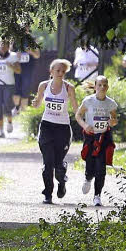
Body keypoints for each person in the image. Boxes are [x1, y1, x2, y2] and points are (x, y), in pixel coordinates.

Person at [32, 59, 79, 204]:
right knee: (48, 164)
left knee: (58, 165)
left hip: (62, 129)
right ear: (51, 71)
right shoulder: (43, 85)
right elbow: (38, 102)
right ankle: (48, 194)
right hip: (47, 126)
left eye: (63, 71)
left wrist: (85, 121)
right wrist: (35, 103)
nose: (60, 73)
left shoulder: (69, 88)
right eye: (57, 70)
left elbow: (76, 108)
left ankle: (62, 181)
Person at [75, 76, 119, 207]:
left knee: (101, 168)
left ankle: (97, 196)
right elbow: (78, 115)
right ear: (95, 87)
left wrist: (113, 122)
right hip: (90, 137)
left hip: (104, 137)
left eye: (105, 85)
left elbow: (114, 119)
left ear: (108, 87)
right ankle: (88, 178)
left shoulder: (111, 103)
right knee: (90, 164)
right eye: (99, 85)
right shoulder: (88, 101)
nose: (102, 87)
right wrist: (85, 125)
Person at [0, 39, 20, 138]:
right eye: (1, 45)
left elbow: (19, 70)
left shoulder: (13, 56)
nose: (2, 46)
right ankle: (1, 131)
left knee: (7, 104)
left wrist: (11, 66)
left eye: (5, 45)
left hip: (9, 84)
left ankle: (10, 121)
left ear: (8, 46)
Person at [11, 37, 41, 115]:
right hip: (17, 68)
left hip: (28, 69)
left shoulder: (33, 41)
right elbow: (9, 53)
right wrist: (16, 54)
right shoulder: (14, 40)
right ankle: (16, 108)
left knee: (25, 90)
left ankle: (23, 112)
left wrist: (30, 51)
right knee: (16, 89)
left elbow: (37, 55)